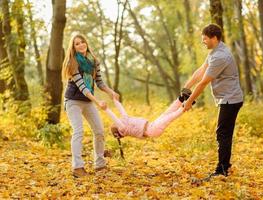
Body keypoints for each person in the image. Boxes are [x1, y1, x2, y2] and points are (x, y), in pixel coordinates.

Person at [182, 24, 243, 179]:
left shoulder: (220, 57)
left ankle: (222, 169)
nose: (203, 42)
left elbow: (203, 82)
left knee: (223, 133)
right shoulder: (214, 52)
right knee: (224, 133)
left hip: (231, 99)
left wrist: (189, 101)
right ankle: (225, 166)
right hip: (227, 98)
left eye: (205, 39)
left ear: (214, 38)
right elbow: (200, 71)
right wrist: (186, 87)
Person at [62, 34, 119, 178]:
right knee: (78, 131)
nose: (81, 45)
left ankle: (99, 164)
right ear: (73, 48)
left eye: (82, 42)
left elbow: (99, 83)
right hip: (73, 100)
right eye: (77, 44)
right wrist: (97, 101)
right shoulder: (72, 63)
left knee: (99, 131)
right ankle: (77, 168)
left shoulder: (94, 61)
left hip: (87, 101)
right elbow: (83, 87)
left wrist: (111, 92)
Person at [102, 92, 194, 139]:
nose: (115, 123)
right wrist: (106, 109)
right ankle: (184, 107)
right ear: (117, 129)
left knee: (166, 113)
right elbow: (114, 118)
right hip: (152, 130)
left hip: (152, 125)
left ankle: (181, 99)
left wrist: (115, 100)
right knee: (169, 117)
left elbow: (121, 110)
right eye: (114, 125)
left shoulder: (126, 119)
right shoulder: (123, 129)